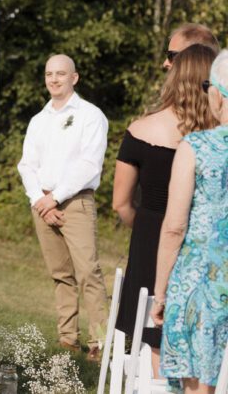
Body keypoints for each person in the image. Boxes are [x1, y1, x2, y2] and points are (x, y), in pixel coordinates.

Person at [113, 44, 218, 376]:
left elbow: (121, 203)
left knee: (157, 339)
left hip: (151, 242)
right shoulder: (218, 137)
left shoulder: (141, 130)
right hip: (206, 244)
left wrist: (145, 229)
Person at [16, 54, 108, 361]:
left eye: (60, 74)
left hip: (76, 202)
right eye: (49, 74)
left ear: (74, 77)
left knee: (88, 273)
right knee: (60, 274)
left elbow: (88, 163)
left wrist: (56, 197)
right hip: (42, 204)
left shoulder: (90, 115)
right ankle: (68, 338)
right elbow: (27, 164)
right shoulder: (39, 120)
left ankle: (100, 341)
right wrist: (39, 201)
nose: (54, 79)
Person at [152, 50, 228, 394]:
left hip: (202, 286)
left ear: (217, 95)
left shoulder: (196, 147)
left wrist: (161, 293)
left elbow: (174, 227)